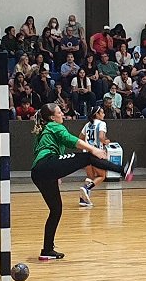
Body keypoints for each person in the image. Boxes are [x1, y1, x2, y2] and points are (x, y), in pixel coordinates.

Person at [30, 104, 134, 260]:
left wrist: (56, 174)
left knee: (56, 210)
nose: (62, 114)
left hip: (39, 172)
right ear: (52, 117)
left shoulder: (44, 131)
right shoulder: (53, 126)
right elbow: (71, 140)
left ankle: (47, 250)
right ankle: (123, 170)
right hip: (47, 164)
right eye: (59, 112)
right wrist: (94, 150)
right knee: (87, 157)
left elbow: (40, 151)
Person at [77, 106, 128, 208]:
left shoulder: (87, 124)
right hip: (96, 153)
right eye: (102, 113)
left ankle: (83, 199)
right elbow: (101, 137)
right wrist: (106, 141)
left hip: (86, 153)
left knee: (91, 177)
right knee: (101, 176)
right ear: (97, 114)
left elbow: (80, 138)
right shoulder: (102, 124)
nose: (104, 115)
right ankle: (86, 189)